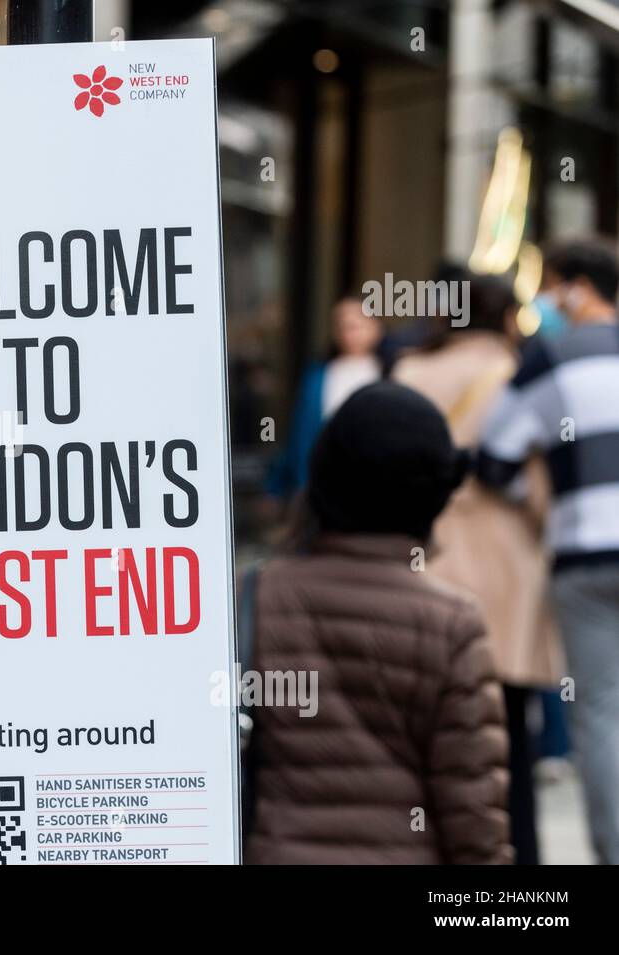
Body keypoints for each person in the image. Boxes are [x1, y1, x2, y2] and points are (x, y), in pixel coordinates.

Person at [245, 382, 511, 864]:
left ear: (322, 478)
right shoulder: (452, 625)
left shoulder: (256, 598)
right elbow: (473, 819)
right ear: (432, 499)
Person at [392, 273, 561, 864]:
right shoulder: (523, 376)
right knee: (509, 736)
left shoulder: (411, 374)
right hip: (508, 572)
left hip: (424, 566)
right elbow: (541, 488)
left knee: (424, 735)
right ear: (508, 317)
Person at [477, 237, 619, 864]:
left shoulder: (550, 358)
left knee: (600, 714)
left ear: (578, 288)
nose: (545, 301)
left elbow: (494, 456)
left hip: (585, 554)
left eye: (552, 286)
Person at [266, 294, 382, 503]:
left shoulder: (391, 372)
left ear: (375, 326)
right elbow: (300, 434)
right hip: (325, 484)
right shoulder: (319, 375)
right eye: (342, 326)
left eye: (355, 326)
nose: (349, 334)